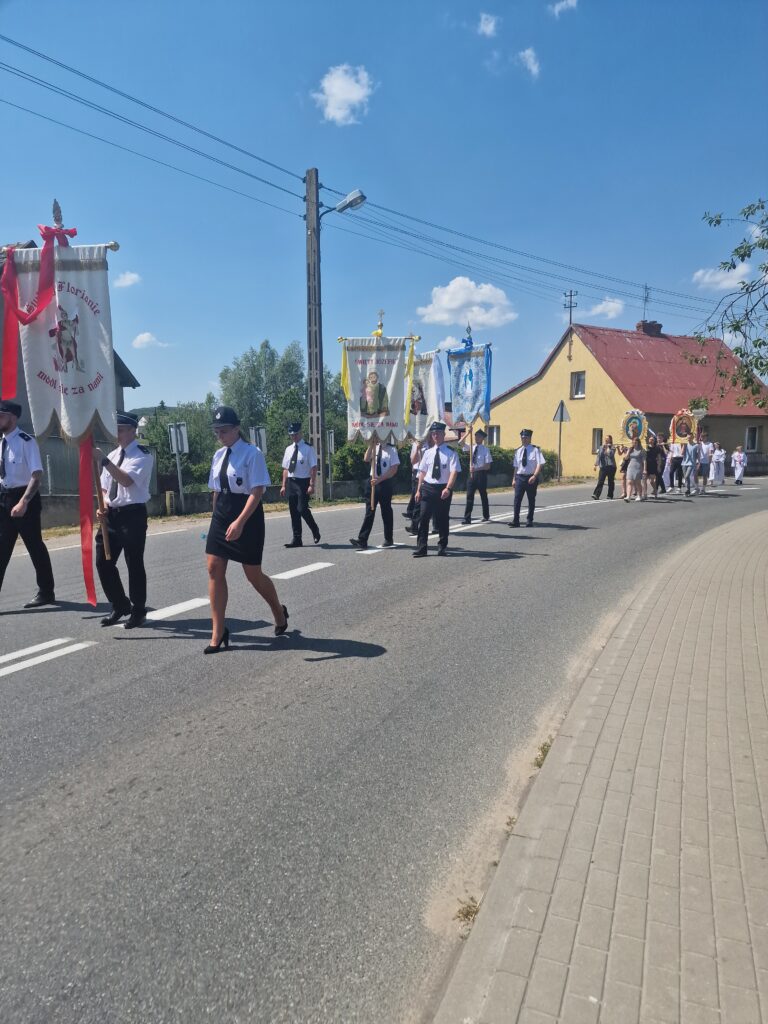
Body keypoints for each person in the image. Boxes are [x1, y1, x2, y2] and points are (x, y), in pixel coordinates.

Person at [205, 406, 288, 653]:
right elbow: (216, 490)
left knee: (253, 574)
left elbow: (257, 490)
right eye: (216, 431)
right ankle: (218, 631)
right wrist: (215, 518)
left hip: (247, 516)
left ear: (237, 428)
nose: (220, 435)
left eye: (224, 430)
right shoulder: (218, 455)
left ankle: (278, 611)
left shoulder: (252, 453)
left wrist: (240, 522)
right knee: (213, 568)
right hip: (222, 514)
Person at [93, 412, 153, 628]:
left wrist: (104, 460)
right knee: (103, 562)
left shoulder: (142, 455)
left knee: (133, 562)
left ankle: (138, 610)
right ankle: (119, 604)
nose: (117, 434)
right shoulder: (112, 454)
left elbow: (126, 481)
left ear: (132, 430)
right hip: (111, 515)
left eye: (121, 430)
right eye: (115, 430)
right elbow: (104, 487)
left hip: (132, 515)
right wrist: (102, 506)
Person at [0, 399, 56, 607]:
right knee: (2, 549)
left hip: (25, 500)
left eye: (1, 416)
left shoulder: (26, 441)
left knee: (35, 547)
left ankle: (46, 592)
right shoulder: (1, 442)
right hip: (4, 499)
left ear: (13, 418)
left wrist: (23, 502)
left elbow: (36, 474)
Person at [413, 421, 460, 557]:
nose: (435, 436)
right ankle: (422, 548)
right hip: (428, 487)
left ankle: (442, 546)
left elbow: (454, 472)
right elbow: (422, 472)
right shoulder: (427, 453)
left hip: (443, 489)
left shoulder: (451, 452)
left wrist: (448, 488)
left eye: (438, 433)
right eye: (433, 433)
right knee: (423, 517)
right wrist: (418, 490)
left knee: (442, 519)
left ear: (443, 434)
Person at [350, 440, 400, 549]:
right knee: (369, 511)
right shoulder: (374, 447)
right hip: (372, 482)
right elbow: (366, 459)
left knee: (386, 511)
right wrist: (371, 445)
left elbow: (393, 470)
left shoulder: (392, 449)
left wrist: (379, 480)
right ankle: (362, 540)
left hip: (384, 483)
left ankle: (388, 538)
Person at [281, 422, 320, 548]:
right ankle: (297, 539)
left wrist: (312, 485)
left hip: (303, 482)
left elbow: (313, 467)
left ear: (301, 433)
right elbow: (285, 469)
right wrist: (283, 485)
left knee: (302, 509)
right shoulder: (288, 449)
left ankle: (315, 529)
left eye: (296, 434)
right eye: (292, 435)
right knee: (294, 512)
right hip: (291, 482)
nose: (294, 437)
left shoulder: (308, 448)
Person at [510, 428, 546, 526]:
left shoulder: (535, 450)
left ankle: (529, 520)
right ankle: (516, 521)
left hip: (531, 477)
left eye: (526, 437)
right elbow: (516, 467)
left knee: (531, 499)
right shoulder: (518, 451)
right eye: (522, 438)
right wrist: (514, 479)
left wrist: (534, 476)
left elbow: (539, 464)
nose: (524, 439)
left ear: (530, 438)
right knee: (517, 499)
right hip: (520, 477)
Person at [461, 428, 492, 523]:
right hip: (471, 475)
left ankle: (486, 516)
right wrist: (468, 433)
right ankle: (467, 518)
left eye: (479, 436)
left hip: (481, 474)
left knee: (483, 496)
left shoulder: (485, 450)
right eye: (475, 436)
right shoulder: (471, 447)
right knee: (469, 496)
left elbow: (487, 466)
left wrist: (476, 469)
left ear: (482, 438)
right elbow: (460, 443)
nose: (476, 438)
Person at [592, 435, 616, 500]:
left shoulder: (613, 447)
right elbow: (599, 456)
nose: (606, 440)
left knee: (610, 481)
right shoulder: (601, 447)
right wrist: (595, 465)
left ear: (610, 440)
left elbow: (610, 455)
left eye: (607, 439)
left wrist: (608, 448)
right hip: (603, 466)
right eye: (605, 439)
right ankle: (596, 494)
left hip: (611, 466)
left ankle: (610, 495)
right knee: (600, 480)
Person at [623, 437, 645, 502]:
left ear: (638, 443)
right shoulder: (631, 449)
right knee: (629, 482)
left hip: (638, 467)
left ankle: (640, 496)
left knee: (637, 482)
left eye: (635, 442)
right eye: (633, 442)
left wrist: (645, 469)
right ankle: (628, 497)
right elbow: (626, 458)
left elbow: (644, 461)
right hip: (630, 467)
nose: (634, 443)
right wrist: (628, 451)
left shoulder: (642, 450)